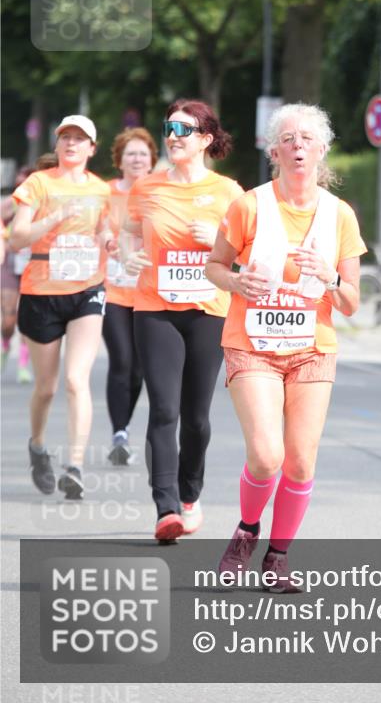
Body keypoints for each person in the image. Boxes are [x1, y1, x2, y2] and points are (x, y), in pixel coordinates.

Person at [205, 102, 366, 590]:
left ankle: (277, 557)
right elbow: (213, 266)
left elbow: (353, 303)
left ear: (322, 149)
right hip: (252, 344)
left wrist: (331, 278)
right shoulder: (249, 205)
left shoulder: (340, 215)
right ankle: (247, 530)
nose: (298, 146)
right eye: (289, 139)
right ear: (274, 151)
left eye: (307, 139)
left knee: (300, 459)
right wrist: (236, 282)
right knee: (267, 455)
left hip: (312, 349)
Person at [126, 99, 243, 543]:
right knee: (163, 410)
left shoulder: (229, 193)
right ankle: (166, 508)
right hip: (154, 307)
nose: (173, 135)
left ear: (206, 140)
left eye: (184, 129)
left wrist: (213, 238)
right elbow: (127, 232)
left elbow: (245, 253)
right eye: (169, 127)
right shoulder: (147, 188)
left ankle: (190, 494)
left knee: (196, 418)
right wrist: (125, 252)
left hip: (207, 310)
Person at [10, 117, 111, 500]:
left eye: (80, 139)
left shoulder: (102, 191)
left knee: (75, 380)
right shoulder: (40, 183)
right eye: (66, 138)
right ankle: (38, 446)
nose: (71, 144)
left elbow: (107, 231)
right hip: (41, 291)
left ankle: (75, 466)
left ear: (92, 148)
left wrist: (109, 240)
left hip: (86, 288)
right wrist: (52, 218)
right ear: (58, 144)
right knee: (47, 387)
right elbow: (18, 237)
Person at [104, 127, 158, 466]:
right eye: (131, 154)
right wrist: (106, 242)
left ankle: (122, 428)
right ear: (120, 160)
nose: (137, 159)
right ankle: (119, 432)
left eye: (143, 154)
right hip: (112, 288)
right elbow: (92, 227)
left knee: (139, 367)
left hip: (149, 290)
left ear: (152, 159)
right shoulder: (105, 193)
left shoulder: (159, 191)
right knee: (122, 359)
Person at [2, 165, 35, 383]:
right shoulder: (9, 204)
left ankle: (23, 365)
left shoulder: (42, 205)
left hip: (33, 264)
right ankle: (5, 344)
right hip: (10, 263)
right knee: (8, 319)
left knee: (26, 317)